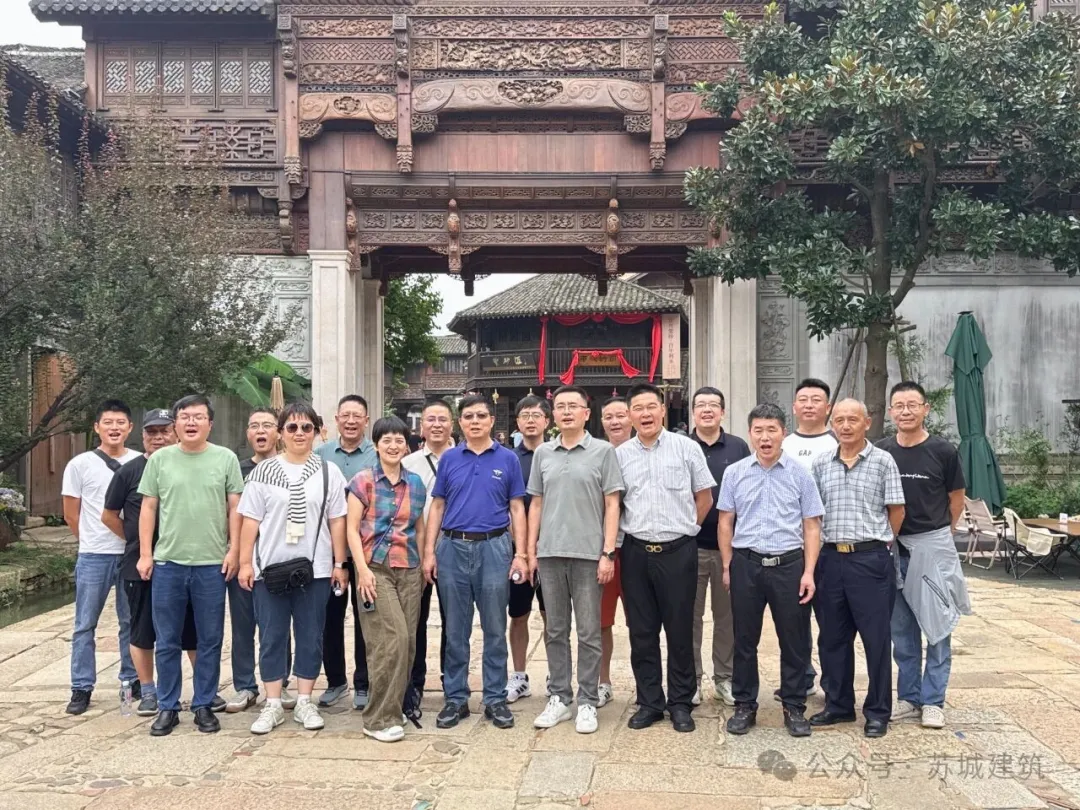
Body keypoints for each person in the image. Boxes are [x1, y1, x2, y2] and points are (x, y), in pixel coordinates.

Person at [238, 403, 349, 735]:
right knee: (271, 636)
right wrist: (245, 562)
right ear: (280, 432)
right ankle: (273, 702)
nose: (299, 433)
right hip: (269, 568)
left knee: (310, 635)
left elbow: (337, 521)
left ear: (317, 431)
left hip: (315, 569)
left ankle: (304, 700)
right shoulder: (262, 473)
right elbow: (250, 521)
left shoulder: (329, 472)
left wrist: (339, 563)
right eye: (292, 427)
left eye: (306, 427)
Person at [137, 394, 245, 736]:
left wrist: (234, 550)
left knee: (210, 639)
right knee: (167, 639)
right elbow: (148, 508)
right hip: (168, 563)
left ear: (210, 423)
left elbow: (235, 508)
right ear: (176, 424)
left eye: (198, 417)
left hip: (211, 565)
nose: (191, 422)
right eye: (185, 417)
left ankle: (203, 704)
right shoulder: (160, 460)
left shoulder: (225, 458)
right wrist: (145, 554)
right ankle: (167, 707)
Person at [423, 394, 529, 730]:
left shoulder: (508, 459)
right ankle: (456, 698)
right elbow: (437, 506)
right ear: (460, 423)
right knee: (456, 629)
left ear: (492, 420)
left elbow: (517, 508)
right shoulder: (450, 458)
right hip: (453, 547)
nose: (475, 421)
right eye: (468, 416)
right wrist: (429, 552)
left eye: (481, 415)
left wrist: (521, 554)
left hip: (494, 548)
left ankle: (495, 697)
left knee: (495, 628)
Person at [718, 403, 823, 738]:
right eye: (758, 430)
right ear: (750, 434)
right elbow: (725, 521)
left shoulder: (800, 474)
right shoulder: (735, 473)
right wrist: (727, 565)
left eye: (772, 430)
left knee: (794, 640)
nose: (765, 437)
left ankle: (794, 706)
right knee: (744, 639)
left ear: (783, 433)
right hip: (746, 564)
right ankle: (744, 704)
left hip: (788, 565)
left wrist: (809, 572)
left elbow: (811, 526)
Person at [616, 383, 715, 733]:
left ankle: (681, 703)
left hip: (678, 552)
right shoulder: (620, 455)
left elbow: (704, 497)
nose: (645, 414)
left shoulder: (686, 448)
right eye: (638, 409)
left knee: (680, 628)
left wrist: (689, 529)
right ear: (630, 415)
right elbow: (615, 504)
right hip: (636, 552)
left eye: (651, 407)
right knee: (641, 631)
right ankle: (649, 702)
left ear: (662, 410)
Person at [527, 386, 623, 734]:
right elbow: (536, 503)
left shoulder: (602, 452)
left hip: (588, 555)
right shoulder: (543, 453)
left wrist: (607, 552)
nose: (566, 412)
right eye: (560, 406)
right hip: (550, 554)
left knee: (589, 631)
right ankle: (559, 697)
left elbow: (612, 503)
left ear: (586, 413)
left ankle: (587, 701)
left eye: (573, 406)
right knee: (554, 629)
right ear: (553, 415)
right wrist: (530, 551)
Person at [809, 399, 905, 739]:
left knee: (876, 639)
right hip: (830, 559)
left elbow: (896, 510)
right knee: (832, 638)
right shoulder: (821, 463)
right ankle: (838, 704)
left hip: (870, 559)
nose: (846, 426)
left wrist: (882, 544)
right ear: (832, 424)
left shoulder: (883, 461)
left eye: (853, 419)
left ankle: (878, 712)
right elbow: (812, 514)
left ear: (867, 422)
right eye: (839, 420)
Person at [879, 381, 970, 730]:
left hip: (931, 547)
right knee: (901, 631)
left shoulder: (943, 451)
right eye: (899, 406)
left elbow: (956, 499)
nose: (906, 411)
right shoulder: (882, 450)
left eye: (912, 405)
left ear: (925, 409)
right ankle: (908, 696)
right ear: (891, 411)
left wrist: (942, 535)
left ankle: (933, 700)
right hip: (893, 548)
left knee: (937, 628)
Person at [103, 408, 197, 717]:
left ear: (175, 432)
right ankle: (147, 690)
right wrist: (135, 540)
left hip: (185, 559)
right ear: (142, 435)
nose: (158, 438)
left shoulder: (189, 464)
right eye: (151, 432)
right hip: (141, 564)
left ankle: (203, 689)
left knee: (191, 628)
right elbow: (109, 515)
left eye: (164, 431)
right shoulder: (129, 472)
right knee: (141, 629)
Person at [346, 416, 428, 742]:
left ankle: (393, 708)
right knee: (389, 641)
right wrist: (362, 570)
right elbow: (352, 529)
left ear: (407, 445)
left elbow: (418, 527)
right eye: (386, 440)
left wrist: (424, 564)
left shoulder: (416, 483)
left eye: (399, 440)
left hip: (409, 568)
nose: (393, 446)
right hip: (375, 569)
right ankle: (378, 719)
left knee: (407, 644)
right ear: (376, 444)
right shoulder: (363, 481)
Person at [62, 399, 141, 715]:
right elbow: (71, 514)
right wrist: (89, 541)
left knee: (130, 622)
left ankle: (130, 681)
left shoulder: (140, 461)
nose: (114, 428)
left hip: (129, 555)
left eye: (120, 422)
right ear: (97, 427)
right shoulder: (79, 464)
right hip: (94, 555)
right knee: (85, 624)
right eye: (108, 422)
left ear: (130, 427)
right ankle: (81, 687)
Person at [226, 409, 296, 713]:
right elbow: (231, 513)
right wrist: (235, 552)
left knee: (278, 625)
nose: (260, 431)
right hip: (243, 557)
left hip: (278, 561)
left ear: (278, 432)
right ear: (248, 434)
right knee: (242, 625)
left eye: (267, 425)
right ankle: (245, 685)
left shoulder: (290, 468)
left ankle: (280, 682)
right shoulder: (237, 469)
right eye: (254, 426)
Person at [689, 387, 750, 708]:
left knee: (727, 617)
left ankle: (724, 678)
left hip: (730, 548)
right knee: (690, 616)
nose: (707, 410)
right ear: (693, 412)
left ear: (723, 412)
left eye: (713, 405)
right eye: (701, 405)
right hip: (690, 547)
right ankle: (692, 678)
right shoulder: (682, 446)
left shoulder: (739, 447)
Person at [316, 394, 378, 709]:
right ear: (337, 419)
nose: (351, 421)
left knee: (367, 617)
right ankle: (336, 681)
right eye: (346, 415)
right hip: (328, 553)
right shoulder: (320, 454)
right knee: (329, 617)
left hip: (367, 552)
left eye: (357, 416)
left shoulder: (377, 455)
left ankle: (364, 683)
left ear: (366, 420)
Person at [780, 378, 838, 701]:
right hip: (791, 549)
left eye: (816, 399)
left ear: (827, 407)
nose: (809, 405)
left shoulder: (838, 443)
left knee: (830, 622)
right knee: (795, 622)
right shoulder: (783, 444)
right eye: (803, 399)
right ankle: (801, 679)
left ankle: (834, 686)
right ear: (794, 407)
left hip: (829, 548)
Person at [401, 399, 454, 715]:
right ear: (422, 427)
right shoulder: (408, 463)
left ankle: (452, 682)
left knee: (454, 620)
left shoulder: (464, 457)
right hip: (414, 550)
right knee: (415, 620)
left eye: (442, 419)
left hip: (454, 549)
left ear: (452, 424)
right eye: (430, 419)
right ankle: (414, 683)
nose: (436, 425)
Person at [507, 395, 551, 703]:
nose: (531, 420)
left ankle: (556, 675)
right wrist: (520, 549)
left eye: (536, 415)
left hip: (552, 549)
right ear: (517, 422)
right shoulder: (509, 459)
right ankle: (519, 676)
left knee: (553, 616)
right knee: (518, 613)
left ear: (547, 421)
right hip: (517, 551)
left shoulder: (557, 454)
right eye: (525, 415)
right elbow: (507, 506)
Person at [597, 396, 632, 705]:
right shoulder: (595, 454)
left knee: (643, 622)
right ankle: (603, 681)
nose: (615, 421)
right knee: (601, 622)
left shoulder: (643, 453)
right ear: (601, 421)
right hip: (604, 552)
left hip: (636, 549)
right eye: (609, 416)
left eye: (621, 415)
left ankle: (646, 683)